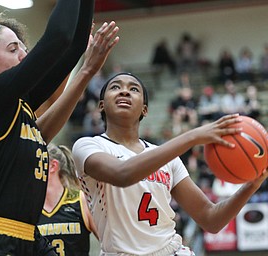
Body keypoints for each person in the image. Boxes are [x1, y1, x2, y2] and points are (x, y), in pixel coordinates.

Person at [0, 5, 120, 253]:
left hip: (25, 237)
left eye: (23, 47)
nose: (24, 54)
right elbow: (58, 38)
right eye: (13, 48)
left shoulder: (18, 106)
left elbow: (73, 47)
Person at [72, 72, 268, 255]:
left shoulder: (167, 159)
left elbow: (211, 219)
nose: (124, 90)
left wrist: (251, 186)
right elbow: (123, 174)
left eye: (134, 89)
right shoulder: (88, 146)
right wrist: (192, 136)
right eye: (115, 87)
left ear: (145, 110)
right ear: (101, 105)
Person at [37, 143, 99, 256]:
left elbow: (108, 243)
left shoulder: (80, 200)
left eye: (34, 163)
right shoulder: (28, 206)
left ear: (52, 166)